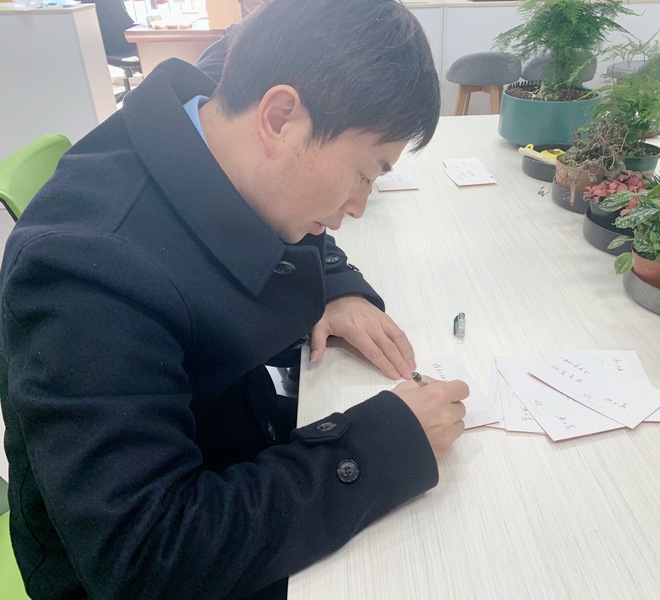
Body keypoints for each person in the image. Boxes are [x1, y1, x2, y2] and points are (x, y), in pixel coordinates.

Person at [0, 0, 468, 598]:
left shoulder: (214, 129)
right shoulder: (89, 276)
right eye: (364, 174)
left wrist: (336, 285)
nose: (359, 206)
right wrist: (382, 446)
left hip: (232, 442)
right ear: (280, 117)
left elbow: (277, 204)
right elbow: (147, 557)